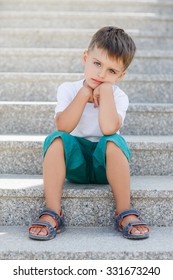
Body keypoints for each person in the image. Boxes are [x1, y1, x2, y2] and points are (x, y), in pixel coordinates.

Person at [29, 26, 149, 240]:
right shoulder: (68, 89)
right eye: (97, 64)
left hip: (105, 165)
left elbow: (109, 128)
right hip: (75, 164)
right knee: (55, 139)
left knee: (113, 141)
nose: (102, 74)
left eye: (111, 71)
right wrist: (84, 94)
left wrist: (105, 92)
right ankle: (53, 212)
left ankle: (124, 212)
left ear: (120, 76)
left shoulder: (119, 97)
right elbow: (63, 126)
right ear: (86, 57)